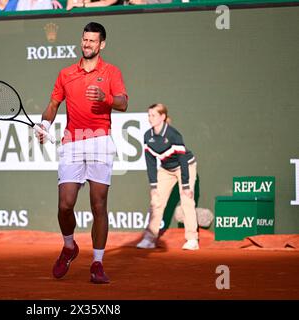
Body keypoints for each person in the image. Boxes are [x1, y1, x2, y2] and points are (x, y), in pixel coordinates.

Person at [36, 22, 128, 284]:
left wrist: (105, 98)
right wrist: (44, 125)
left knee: (98, 205)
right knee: (65, 205)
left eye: (92, 41)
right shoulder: (65, 74)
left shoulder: (111, 72)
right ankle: (69, 246)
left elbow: (123, 102)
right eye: (84, 40)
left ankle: (97, 264)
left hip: (99, 142)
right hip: (72, 143)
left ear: (102, 44)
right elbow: (53, 105)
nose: (87, 44)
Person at [136, 103, 199, 250]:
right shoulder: (147, 136)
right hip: (166, 170)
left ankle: (192, 240)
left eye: (154, 115)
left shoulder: (173, 135)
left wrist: (185, 185)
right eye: (149, 115)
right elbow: (150, 163)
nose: (150, 118)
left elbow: (183, 160)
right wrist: (153, 186)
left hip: (186, 167)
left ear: (163, 117)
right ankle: (149, 239)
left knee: (186, 201)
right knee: (156, 201)